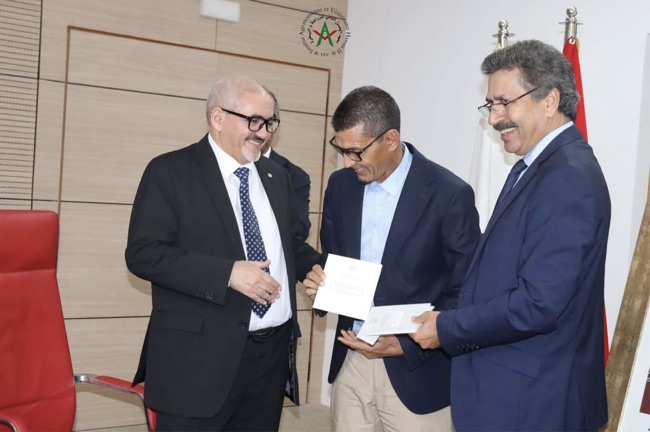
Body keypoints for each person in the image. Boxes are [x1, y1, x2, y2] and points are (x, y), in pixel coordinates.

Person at [411, 40, 611, 431]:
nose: (494, 118)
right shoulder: (538, 167)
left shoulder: (566, 176)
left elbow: (539, 302)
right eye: (490, 105)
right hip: (511, 392)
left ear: (549, 101)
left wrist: (447, 327)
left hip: (535, 401)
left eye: (504, 103)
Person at [125, 76, 321, 431]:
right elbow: (143, 254)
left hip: (269, 360)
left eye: (270, 123)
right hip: (198, 362)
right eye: (254, 121)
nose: (263, 133)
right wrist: (227, 273)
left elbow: (286, 244)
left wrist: (318, 269)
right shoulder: (170, 171)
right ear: (218, 118)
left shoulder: (276, 176)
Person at [303, 85, 481, 431]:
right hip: (351, 360)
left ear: (390, 139)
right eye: (341, 149)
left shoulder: (449, 194)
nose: (347, 162)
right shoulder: (340, 186)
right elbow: (334, 259)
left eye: (356, 152)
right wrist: (321, 284)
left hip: (417, 371)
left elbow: (467, 287)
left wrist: (407, 345)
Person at [261, 89, 311, 243]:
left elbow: (299, 231)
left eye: (268, 124)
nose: (260, 132)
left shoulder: (294, 176)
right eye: (253, 121)